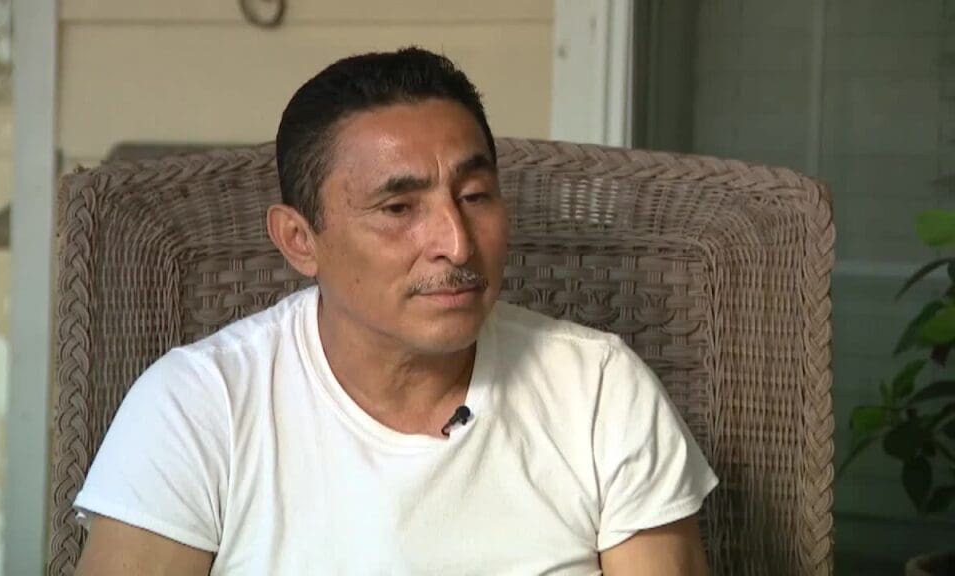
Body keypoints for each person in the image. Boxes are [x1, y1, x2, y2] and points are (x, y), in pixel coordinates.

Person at [73, 47, 718, 576]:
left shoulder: (597, 389)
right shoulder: (199, 406)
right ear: (300, 240)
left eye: (475, 195)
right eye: (398, 209)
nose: (456, 243)